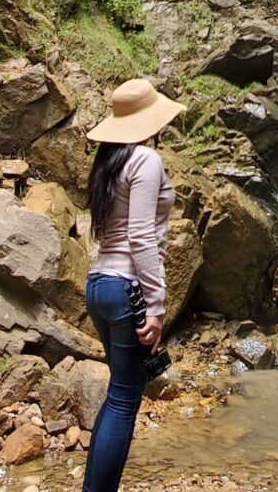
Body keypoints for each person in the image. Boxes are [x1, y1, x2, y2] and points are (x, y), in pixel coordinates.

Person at [82, 78, 185, 492]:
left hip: (98, 285)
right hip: (126, 287)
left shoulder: (108, 161)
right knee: (125, 399)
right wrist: (156, 305)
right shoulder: (146, 159)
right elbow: (141, 236)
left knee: (118, 393)